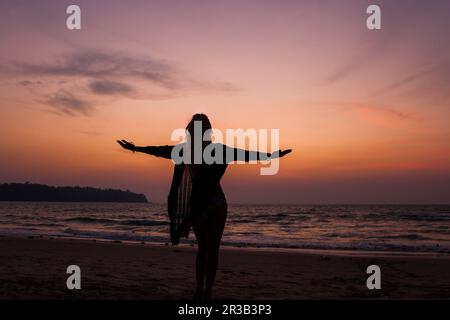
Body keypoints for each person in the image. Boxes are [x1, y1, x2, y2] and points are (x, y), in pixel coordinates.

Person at [117, 113, 291, 299]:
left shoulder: (188, 150)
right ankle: (204, 289)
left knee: (205, 250)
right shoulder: (204, 150)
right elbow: (246, 155)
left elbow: (245, 155)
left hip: (207, 205)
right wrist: (272, 155)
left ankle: (203, 289)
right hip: (211, 204)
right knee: (210, 250)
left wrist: (135, 148)